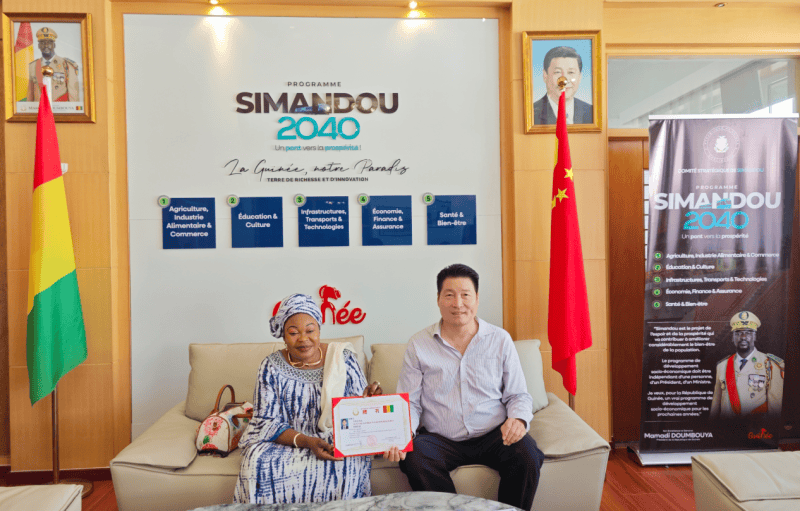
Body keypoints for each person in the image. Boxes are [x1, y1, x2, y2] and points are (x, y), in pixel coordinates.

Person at [396, 264, 544, 510]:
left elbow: (518, 394)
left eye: (465, 295)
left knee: (527, 452)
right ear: (438, 299)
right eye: (449, 295)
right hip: (441, 439)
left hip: (494, 434)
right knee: (414, 455)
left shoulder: (500, 339)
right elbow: (409, 402)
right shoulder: (418, 344)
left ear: (476, 298)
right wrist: (402, 434)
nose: (458, 303)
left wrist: (518, 419)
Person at [234, 293, 386, 504]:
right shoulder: (270, 366)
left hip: (333, 439)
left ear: (319, 331)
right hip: (287, 441)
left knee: (344, 461)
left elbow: (357, 413)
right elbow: (265, 423)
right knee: (255, 461)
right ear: (284, 336)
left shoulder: (343, 358)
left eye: (310, 330)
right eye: (293, 332)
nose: (303, 339)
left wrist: (368, 399)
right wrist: (306, 441)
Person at [709, 311, 785, 419]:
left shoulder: (771, 364)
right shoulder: (722, 366)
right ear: (732, 337)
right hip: (726, 427)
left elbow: (775, 410)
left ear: (755, 336)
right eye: (738, 333)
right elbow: (715, 406)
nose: (743, 337)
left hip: (754, 428)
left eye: (749, 332)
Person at [532, 46, 592, 125]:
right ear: (545, 75)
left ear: (580, 77)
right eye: (557, 72)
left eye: (571, 72)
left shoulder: (592, 113)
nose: (564, 80)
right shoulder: (531, 113)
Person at [27, 27, 80, 103]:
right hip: (39, 109)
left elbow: (73, 96)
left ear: (54, 45)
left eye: (49, 42)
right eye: (42, 43)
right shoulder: (33, 66)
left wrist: (73, 109)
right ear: (38, 46)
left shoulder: (66, 65)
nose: (46, 45)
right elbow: (30, 96)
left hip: (61, 109)